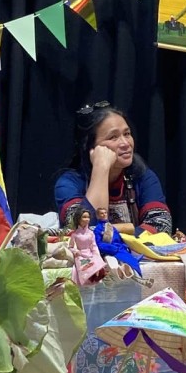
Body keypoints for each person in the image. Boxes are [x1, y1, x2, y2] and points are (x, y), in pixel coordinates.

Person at [55, 102, 173, 236]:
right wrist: (101, 169)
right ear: (90, 147)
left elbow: (162, 226)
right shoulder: (69, 183)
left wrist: (109, 232)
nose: (125, 143)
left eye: (127, 134)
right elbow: (83, 232)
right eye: (113, 137)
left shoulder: (143, 177)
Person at [67, 209, 108, 285]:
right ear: (79, 219)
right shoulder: (75, 234)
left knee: (98, 265)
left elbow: (94, 246)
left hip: (90, 254)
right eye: (84, 217)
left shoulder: (91, 233)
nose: (87, 219)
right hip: (81, 256)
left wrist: (97, 256)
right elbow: (70, 247)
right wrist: (75, 251)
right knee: (86, 267)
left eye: (88, 217)